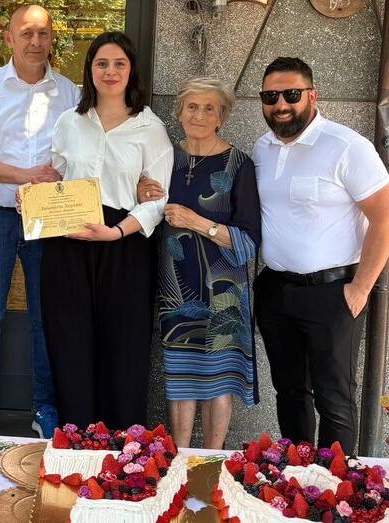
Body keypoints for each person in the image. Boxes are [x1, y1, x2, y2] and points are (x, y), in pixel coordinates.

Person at [251, 57, 389, 451]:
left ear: (312, 96)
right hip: (275, 290)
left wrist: (360, 289)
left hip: (333, 293)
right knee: (289, 392)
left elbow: (386, 217)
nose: (281, 104)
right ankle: (296, 474)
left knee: (334, 398)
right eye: (270, 96)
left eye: (291, 94)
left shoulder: (347, 146)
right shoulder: (263, 148)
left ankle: (337, 483)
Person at [0, 4, 78, 437]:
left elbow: (78, 155)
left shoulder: (70, 94)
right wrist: (26, 177)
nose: (35, 42)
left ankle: (45, 408)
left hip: (49, 217)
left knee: (46, 317)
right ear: (9, 38)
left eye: (43, 33)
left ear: (52, 38)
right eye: (26, 33)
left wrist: (55, 179)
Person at [41, 31, 173, 429]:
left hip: (124, 244)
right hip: (68, 244)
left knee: (124, 345)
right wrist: (34, 201)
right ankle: (76, 438)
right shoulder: (70, 121)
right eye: (102, 63)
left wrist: (116, 232)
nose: (110, 71)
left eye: (119, 64)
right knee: (70, 342)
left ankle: (122, 444)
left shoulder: (149, 127)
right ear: (90, 69)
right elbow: (56, 179)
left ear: (131, 71)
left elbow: (158, 200)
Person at [136, 77, 261, 449]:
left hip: (225, 292)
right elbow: (140, 211)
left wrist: (197, 222)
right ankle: (180, 462)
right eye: (192, 107)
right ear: (179, 112)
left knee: (219, 381)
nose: (200, 115)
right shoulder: (164, 159)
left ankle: (211, 462)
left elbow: (249, 242)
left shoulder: (239, 165)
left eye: (210, 108)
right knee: (181, 378)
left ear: (222, 117)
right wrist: (139, 190)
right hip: (177, 289)